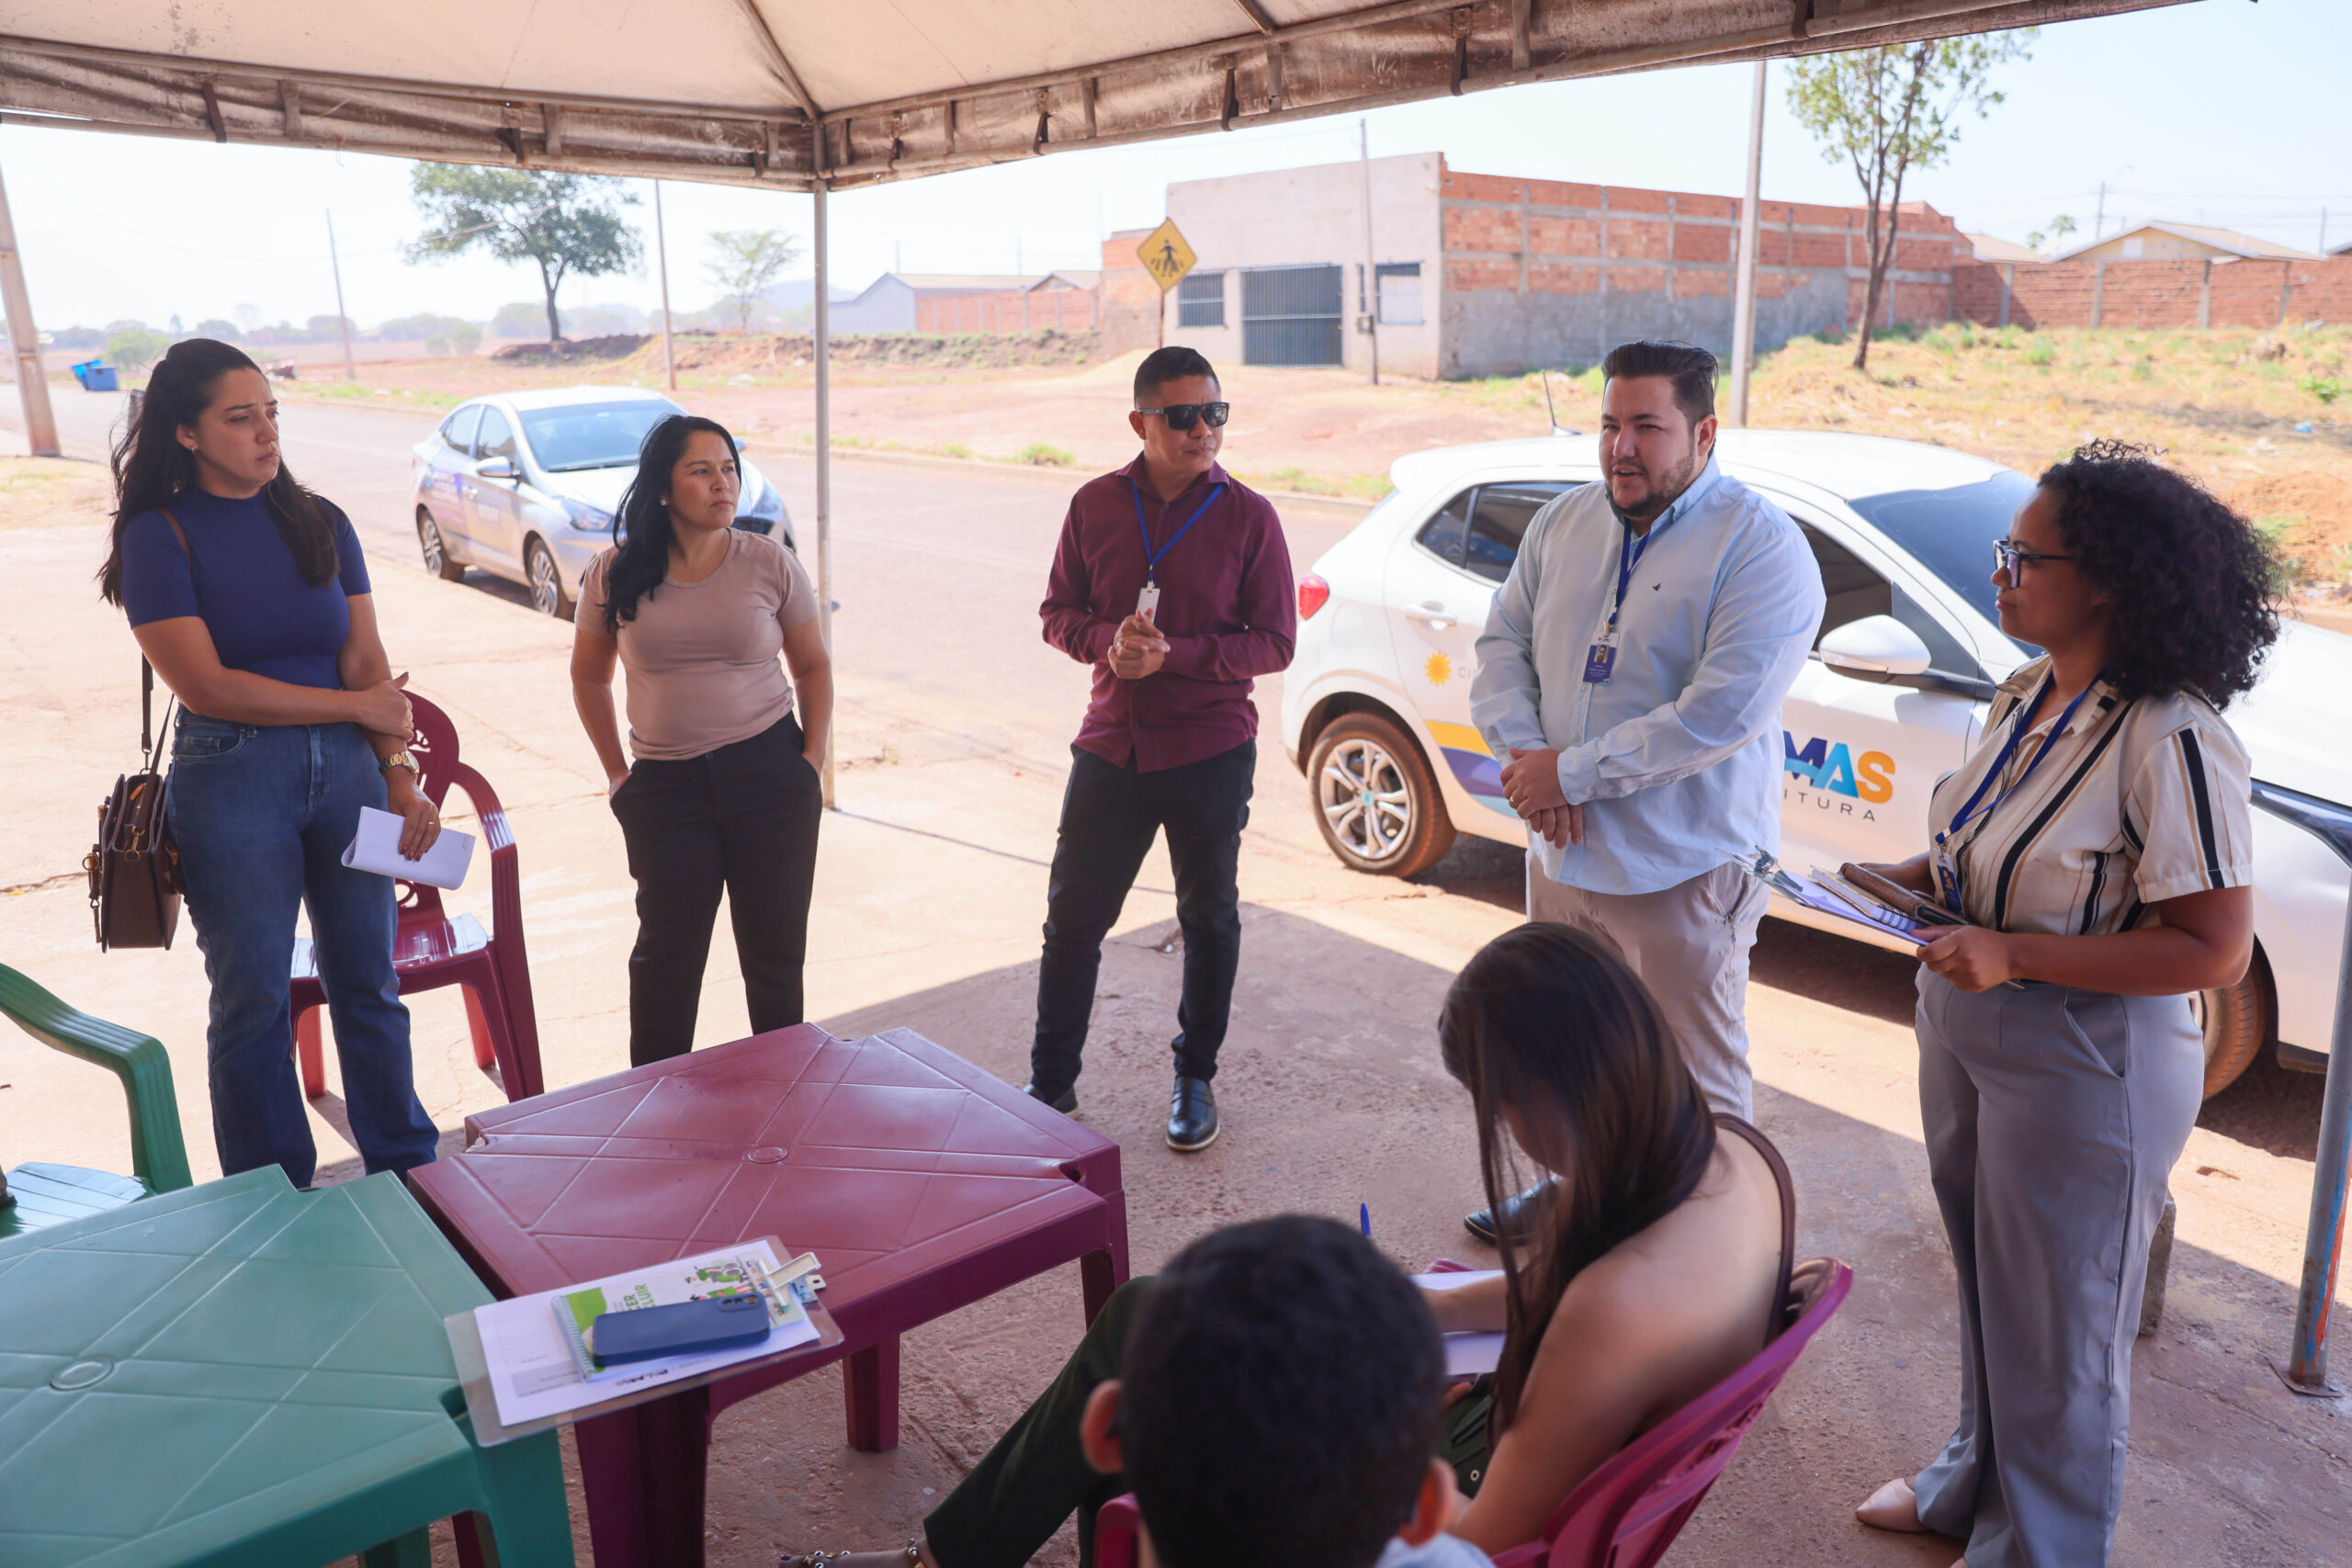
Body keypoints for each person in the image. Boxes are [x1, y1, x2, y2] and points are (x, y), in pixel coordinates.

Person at [782, 922, 1792, 1567]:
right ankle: (951, 1561)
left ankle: (963, 1561)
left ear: (1537, 1099)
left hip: (1484, 1488)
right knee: (1156, 1318)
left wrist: (1377, 1402)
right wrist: (1423, 1310)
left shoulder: (1610, 1320)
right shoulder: (1725, 1161)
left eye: (1495, 1105)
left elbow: (1484, 1538)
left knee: (1179, 1356)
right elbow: (1564, 1286)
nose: (1506, 1133)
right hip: (1543, 1440)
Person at [1850, 442, 2276, 1568]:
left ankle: (2041, 1548)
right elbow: (1997, 855)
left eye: (2020, 557)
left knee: (2067, 1324)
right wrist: (1921, 880)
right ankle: (1970, 1485)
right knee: (1995, 1284)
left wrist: (2018, 957)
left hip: (2091, 1061)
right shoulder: (2023, 694)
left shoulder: (2172, 735)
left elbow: (2215, 950)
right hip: (1972, 1024)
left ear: (2103, 580)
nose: (2000, 574)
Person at [1465, 338, 1823, 1242]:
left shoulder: (1759, 547)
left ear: (1702, 432)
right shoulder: (1563, 523)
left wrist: (1569, 772)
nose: (1620, 448)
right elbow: (1500, 646)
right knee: (1569, 1054)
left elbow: (1721, 713)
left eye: (1646, 428)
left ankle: (1718, 1255)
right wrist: (1528, 761)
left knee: (1694, 1079)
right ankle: (1580, 1197)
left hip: (1683, 868)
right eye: (1609, 425)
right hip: (1561, 853)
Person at [99, 337, 442, 1186]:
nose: (265, 433)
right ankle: (272, 1193)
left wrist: (399, 771)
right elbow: (207, 685)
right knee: (253, 998)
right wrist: (355, 708)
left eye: (271, 414)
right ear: (186, 433)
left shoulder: (321, 521)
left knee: (369, 977)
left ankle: (406, 1169)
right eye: (239, 417)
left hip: (350, 772)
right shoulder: (157, 536)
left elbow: (366, 660)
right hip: (231, 775)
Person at [783, 1215, 1488, 1568]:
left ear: (1105, 1429)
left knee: (1152, 1332)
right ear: (1420, 1502)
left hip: (1480, 1453)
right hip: (1453, 1441)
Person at [1030, 345, 1295, 1150]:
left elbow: (1276, 641)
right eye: (1183, 417)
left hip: (1211, 750)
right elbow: (1056, 612)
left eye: (1216, 413)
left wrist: (1174, 653)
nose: (1203, 431)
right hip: (1112, 745)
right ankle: (1049, 1089)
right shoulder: (1093, 504)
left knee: (1208, 918)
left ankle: (1195, 1077)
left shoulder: (1250, 516)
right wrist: (1110, 642)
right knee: (1073, 921)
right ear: (1141, 421)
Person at [572, 413, 832, 1065]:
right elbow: (588, 677)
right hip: (665, 787)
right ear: (663, 487)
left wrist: (810, 763)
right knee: (666, 959)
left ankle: (783, 1096)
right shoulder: (614, 573)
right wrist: (616, 775)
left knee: (774, 958)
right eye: (702, 470)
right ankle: (658, 1110)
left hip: (770, 775)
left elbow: (814, 667)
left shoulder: (768, 561)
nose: (724, 484)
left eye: (730, 469)